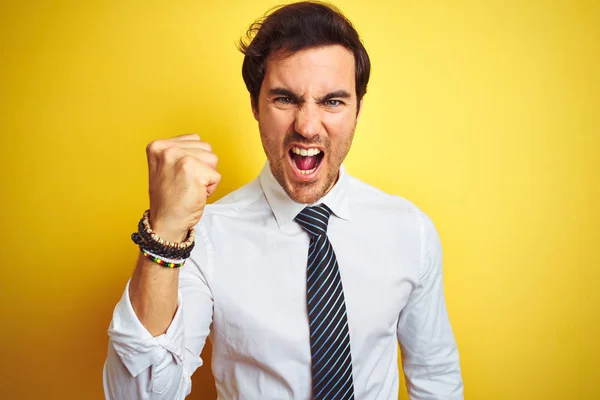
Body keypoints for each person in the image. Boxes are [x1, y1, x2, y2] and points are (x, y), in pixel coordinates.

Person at [103, 1, 464, 399]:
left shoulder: (409, 231)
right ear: (255, 106)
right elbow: (139, 396)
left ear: (358, 109)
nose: (307, 126)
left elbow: (435, 376)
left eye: (332, 101)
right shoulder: (203, 240)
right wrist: (165, 232)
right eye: (285, 99)